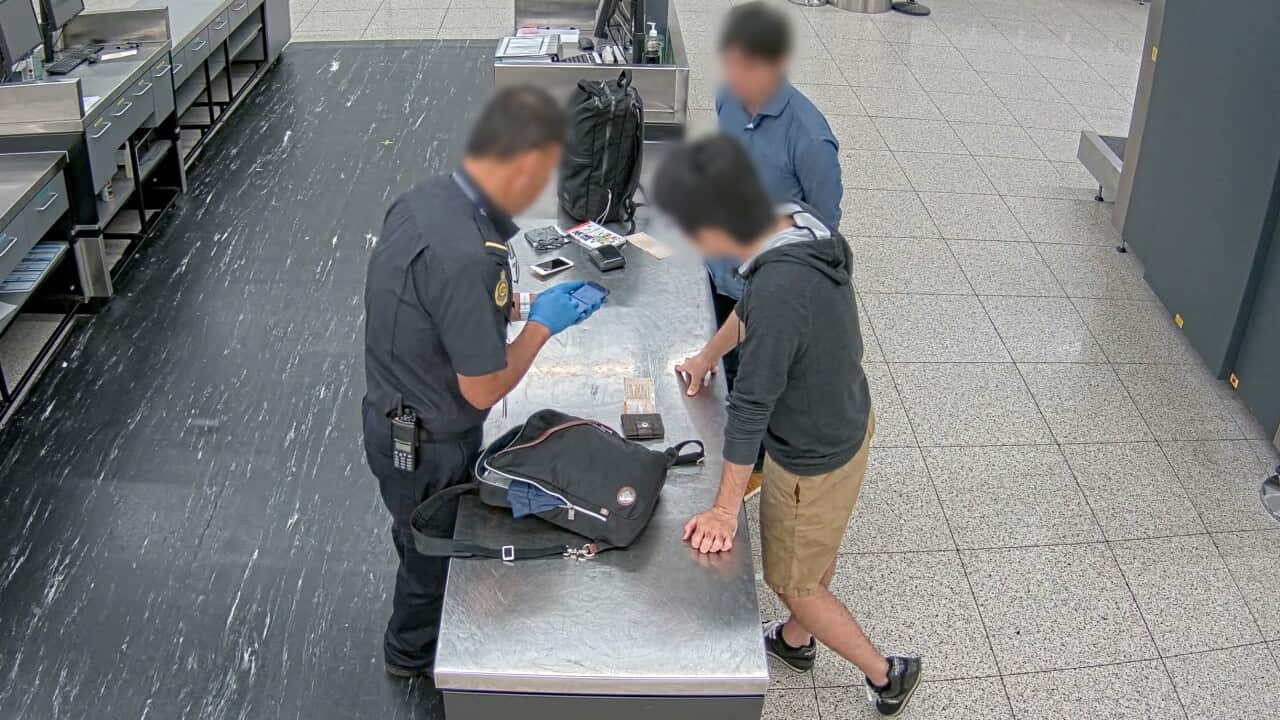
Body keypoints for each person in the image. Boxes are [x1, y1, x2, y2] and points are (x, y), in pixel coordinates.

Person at [655, 136, 921, 717]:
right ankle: (798, 641)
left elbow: (749, 408)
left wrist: (725, 510)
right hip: (850, 419)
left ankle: (885, 674)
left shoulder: (778, 287)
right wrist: (705, 358)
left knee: (793, 579)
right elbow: (753, 312)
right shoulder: (799, 226)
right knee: (814, 547)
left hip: (811, 456)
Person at [362, 86, 605, 678]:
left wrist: (520, 304)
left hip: (392, 409)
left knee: (415, 533)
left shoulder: (427, 199)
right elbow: (483, 388)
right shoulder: (470, 255)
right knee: (428, 553)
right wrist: (542, 329)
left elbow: (436, 308)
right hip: (427, 444)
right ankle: (412, 655)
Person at [691, 1, 844, 497]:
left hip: (766, 282)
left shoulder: (812, 140)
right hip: (720, 264)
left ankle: (756, 465)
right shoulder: (727, 99)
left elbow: (822, 232)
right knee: (728, 358)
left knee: (759, 377)